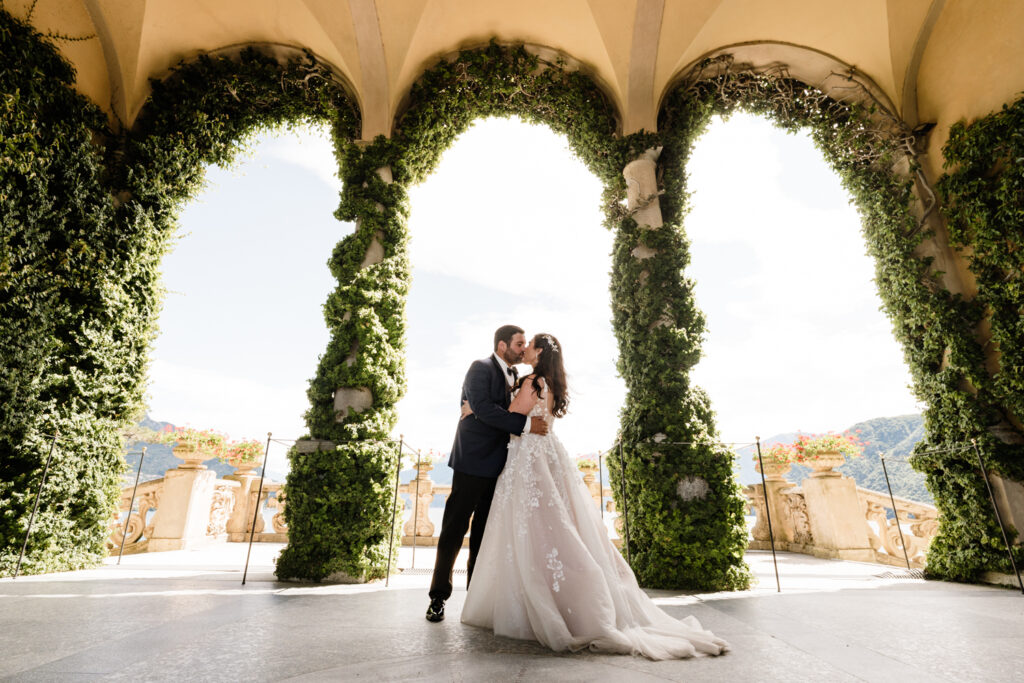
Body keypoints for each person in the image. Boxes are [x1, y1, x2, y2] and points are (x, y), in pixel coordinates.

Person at [459, 333, 730, 660]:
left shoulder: (532, 381)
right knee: (552, 527)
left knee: (533, 529)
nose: (526, 348)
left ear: (540, 351)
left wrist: (474, 407)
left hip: (528, 462)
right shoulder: (550, 383)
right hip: (545, 458)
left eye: (530, 344)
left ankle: (550, 601)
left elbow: (511, 419)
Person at [425, 325, 549, 623]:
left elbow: (490, 410)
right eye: (519, 343)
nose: (522, 348)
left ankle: (476, 601)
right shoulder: (480, 367)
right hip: (473, 462)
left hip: (502, 466)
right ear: (503, 344)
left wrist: (485, 411)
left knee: (484, 535)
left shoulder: (518, 378)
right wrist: (515, 423)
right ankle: (437, 598)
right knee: (454, 531)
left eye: (525, 344)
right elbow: (481, 406)